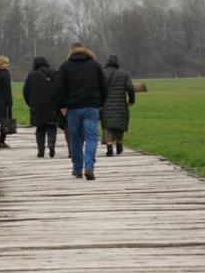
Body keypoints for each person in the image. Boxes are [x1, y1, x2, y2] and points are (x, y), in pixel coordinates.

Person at [53, 42, 109, 180]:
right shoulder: (95, 65)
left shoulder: (65, 66)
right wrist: (100, 104)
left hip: (73, 109)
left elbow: (57, 88)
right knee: (91, 138)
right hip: (91, 107)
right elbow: (105, 88)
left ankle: (77, 168)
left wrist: (62, 106)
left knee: (75, 140)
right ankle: (89, 166)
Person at [23, 56, 58, 158]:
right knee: (51, 127)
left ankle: (40, 151)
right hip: (51, 106)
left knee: (40, 129)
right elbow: (58, 89)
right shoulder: (53, 73)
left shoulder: (31, 75)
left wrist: (30, 103)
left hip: (37, 107)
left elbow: (25, 91)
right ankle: (51, 145)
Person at [101, 55, 136, 156]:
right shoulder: (124, 74)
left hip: (106, 104)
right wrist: (131, 101)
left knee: (107, 126)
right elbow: (130, 88)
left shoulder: (102, 73)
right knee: (120, 125)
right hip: (121, 104)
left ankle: (109, 147)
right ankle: (119, 145)